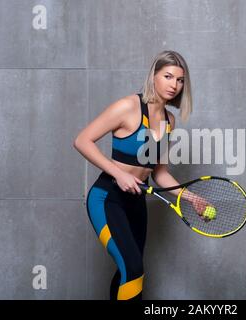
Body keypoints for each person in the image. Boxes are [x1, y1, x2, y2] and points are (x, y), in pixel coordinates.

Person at [73, 50, 192, 300]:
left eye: (180, 80)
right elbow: (82, 140)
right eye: (168, 76)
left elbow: (159, 173)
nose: (174, 85)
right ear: (154, 77)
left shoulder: (170, 120)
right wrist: (119, 174)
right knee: (133, 268)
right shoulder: (128, 106)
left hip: (136, 204)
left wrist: (190, 198)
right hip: (107, 199)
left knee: (128, 271)